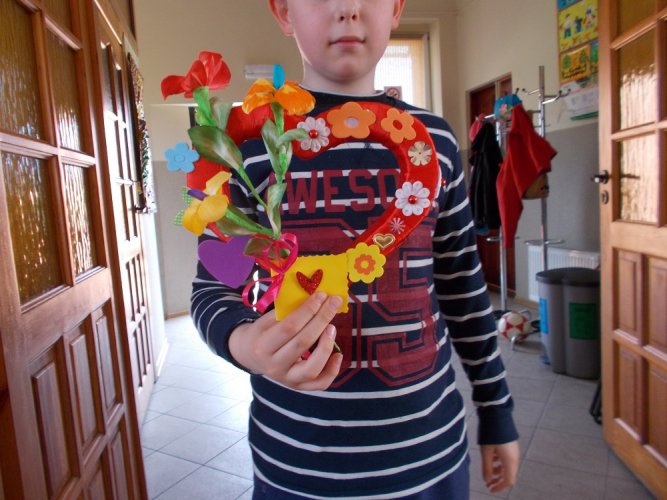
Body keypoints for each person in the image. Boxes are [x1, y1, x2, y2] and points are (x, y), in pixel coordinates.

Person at [191, 0, 520, 498]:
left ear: (396, 8)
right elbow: (213, 285)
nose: (347, 8)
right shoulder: (247, 146)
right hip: (296, 466)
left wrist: (495, 408)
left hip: (429, 456)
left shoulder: (436, 142)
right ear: (283, 12)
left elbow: (463, 289)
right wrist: (244, 344)